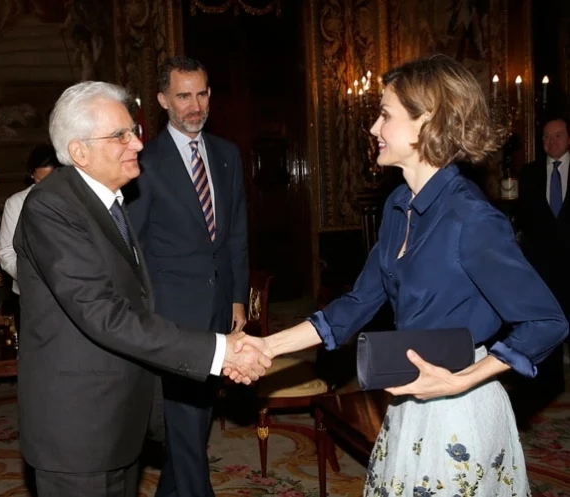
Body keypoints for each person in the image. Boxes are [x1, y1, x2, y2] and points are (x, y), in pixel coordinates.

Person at [231, 54, 569, 494]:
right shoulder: (397, 208)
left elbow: (547, 321)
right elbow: (354, 305)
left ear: (426, 122)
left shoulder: (471, 217)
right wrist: (265, 346)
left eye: (385, 114)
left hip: (461, 410)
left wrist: (461, 378)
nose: (373, 128)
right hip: (411, 398)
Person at [13, 81, 268, 497]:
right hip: (80, 430)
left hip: (117, 419)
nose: (137, 143)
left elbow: (138, 301)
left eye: (133, 131)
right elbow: (104, 315)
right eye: (121, 135)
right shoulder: (52, 207)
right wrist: (219, 352)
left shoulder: (109, 199)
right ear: (80, 151)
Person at [126, 56, 249, 497]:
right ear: (163, 100)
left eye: (201, 94)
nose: (194, 106)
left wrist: (237, 299)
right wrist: (143, 314)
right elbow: (134, 246)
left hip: (218, 311)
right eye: (183, 96)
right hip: (171, 316)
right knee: (183, 421)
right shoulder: (145, 162)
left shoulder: (227, 154)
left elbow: (235, 234)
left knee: (195, 422)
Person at [516, 117, 570, 410]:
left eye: (558, 136)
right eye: (547, 137)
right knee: (548, 321)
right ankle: (550, 384)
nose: (552, 142)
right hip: (543, 264)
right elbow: (525, 216)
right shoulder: (530, 174)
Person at [0, 144, 59, 298]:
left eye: (51, 180)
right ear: (31, 175)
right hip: (30, 292)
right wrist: (30, 278)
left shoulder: (74, 200)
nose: (46, 187)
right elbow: (6, 252)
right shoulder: (16, 203)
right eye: (41, 180)